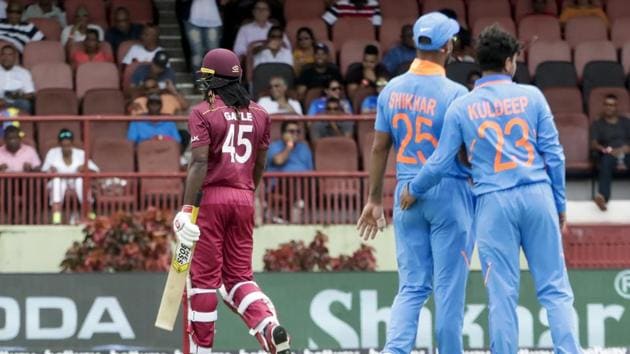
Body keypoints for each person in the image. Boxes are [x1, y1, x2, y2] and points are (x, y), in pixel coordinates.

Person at [401, 25, 581, 352]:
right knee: (555, 290)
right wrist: (560, 204)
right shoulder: (532, 96)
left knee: (502, 294)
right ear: (511, 62)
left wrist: (413, 187)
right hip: (537, 193)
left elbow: (441, 162)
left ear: (479, 63)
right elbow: (554, 154)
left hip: (493, 203)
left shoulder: (462, 106)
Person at [356, 12, 474, 354]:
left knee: (410, 287)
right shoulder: (456, 93)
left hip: (404, 191)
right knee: (449, 291)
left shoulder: (391, 89)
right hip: (449, 191)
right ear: (448, 46)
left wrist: (375, 199)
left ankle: (395, 351)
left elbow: (379, 147)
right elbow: (463, 153)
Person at [172, 48, 291, 353]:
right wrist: (246, 193)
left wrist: (186, 209)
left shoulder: (203, 112)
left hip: (210, 199)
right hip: (243, 197)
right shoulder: (261, 114)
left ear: (214, 80)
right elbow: (260, 164)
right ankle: (267, 324)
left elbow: (198, 163)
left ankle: (202, 349)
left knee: (204, 280)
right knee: (239, 277)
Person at [42, 129, 99, 224]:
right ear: (59, 144)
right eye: (63, 146)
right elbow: (44, 170)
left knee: (80, 180)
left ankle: (90, 215)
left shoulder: (80, 153)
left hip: (75, 181)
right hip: (59, 181)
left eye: (68, 145)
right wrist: (51, 171)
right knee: (57, 181)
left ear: (72, 144)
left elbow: (95, 170)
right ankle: (57, 218)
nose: (66, 148)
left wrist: (85, 168)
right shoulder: (52, 153)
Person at [590, 94, 630, 211]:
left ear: (616, 107)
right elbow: (594, 143)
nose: (609, 107)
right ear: (603, 106)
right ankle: (603, 198)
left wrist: (627, 148)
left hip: (626, 152)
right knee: (605, 162)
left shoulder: (626, 122)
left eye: (612, 105)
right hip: (609, 153)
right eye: (607, 104)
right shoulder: (598, 123)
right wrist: (606, 150)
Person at [182, 0, 222, 72]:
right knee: (197, 53)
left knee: (213, 54)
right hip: (192, 19)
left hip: (213, 19)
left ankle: (208, 81)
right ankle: (198, 81)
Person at [0, 44, 35, 113]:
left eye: (10, 55)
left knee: (24, 104)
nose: (6, 57)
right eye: (3, 54)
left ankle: (10, 121)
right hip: (1, 103)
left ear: (15, 57)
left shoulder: (24, 72)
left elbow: (30, 94)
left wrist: (17, 96)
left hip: (17, 102)